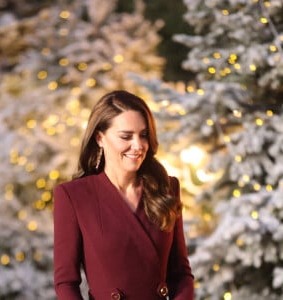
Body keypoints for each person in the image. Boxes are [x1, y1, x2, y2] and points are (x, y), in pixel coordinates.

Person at [53, 90, 194, 300]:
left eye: (143, 135)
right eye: (126, 136)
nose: (138, 146)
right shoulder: (73, 196)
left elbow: (181, 274)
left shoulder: (166, 187)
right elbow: (66, 283)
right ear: (100, 138)